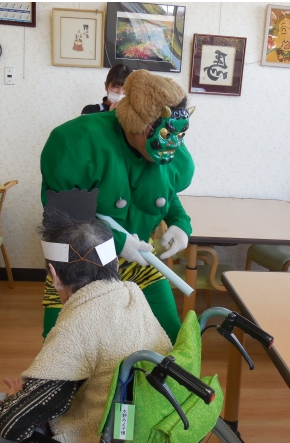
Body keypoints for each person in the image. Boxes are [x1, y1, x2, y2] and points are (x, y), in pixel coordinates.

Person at [0, 212, 173, 443]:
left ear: (54, 275)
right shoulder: (133, 295)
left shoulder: (76, 326)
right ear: (114, 264)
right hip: (138, 436)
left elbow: (12, 423)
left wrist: (14, 400)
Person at [41, 69, 195, 343]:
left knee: (170, 336)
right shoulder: (80, 141)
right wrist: (118, 241)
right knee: (62, 343)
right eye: (164, 134)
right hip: (79, 261)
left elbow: (165, 191)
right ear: (136, 124)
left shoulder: (170, 151)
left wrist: (180, 222)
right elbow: (63, 215)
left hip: (138, 258)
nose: (173, 147)